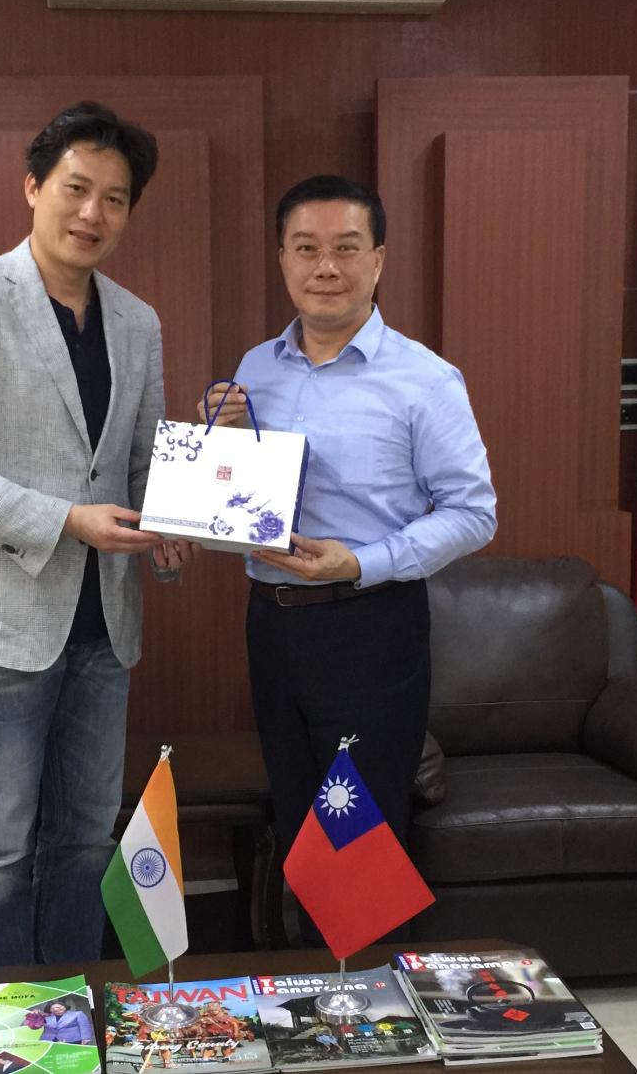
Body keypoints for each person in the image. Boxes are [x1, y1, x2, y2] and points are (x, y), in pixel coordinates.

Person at [0, 101, 196, 967]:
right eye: (76, 188)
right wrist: (68, 520)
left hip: (106, 627)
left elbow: (141, 461)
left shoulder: (138, 322)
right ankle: (9, 1019)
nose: (92, 212)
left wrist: (174, 522)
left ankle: (72, 1003)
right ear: (33, 186)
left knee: (85, 837)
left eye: (115, 198)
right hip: (3, 625)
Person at [202, 175, 496, 907]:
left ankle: (365, 980)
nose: (325, 267)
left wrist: (361, 562)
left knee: (359, 835)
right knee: (297, 820)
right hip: (272, 626)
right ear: (282, 259)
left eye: (346, 248)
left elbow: (474, 512)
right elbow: (239, 497)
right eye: (306, 248)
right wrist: (214, 445)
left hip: (371, 628)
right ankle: (308, 975)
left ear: (379, 260)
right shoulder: (255, 368)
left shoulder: (426, 379)